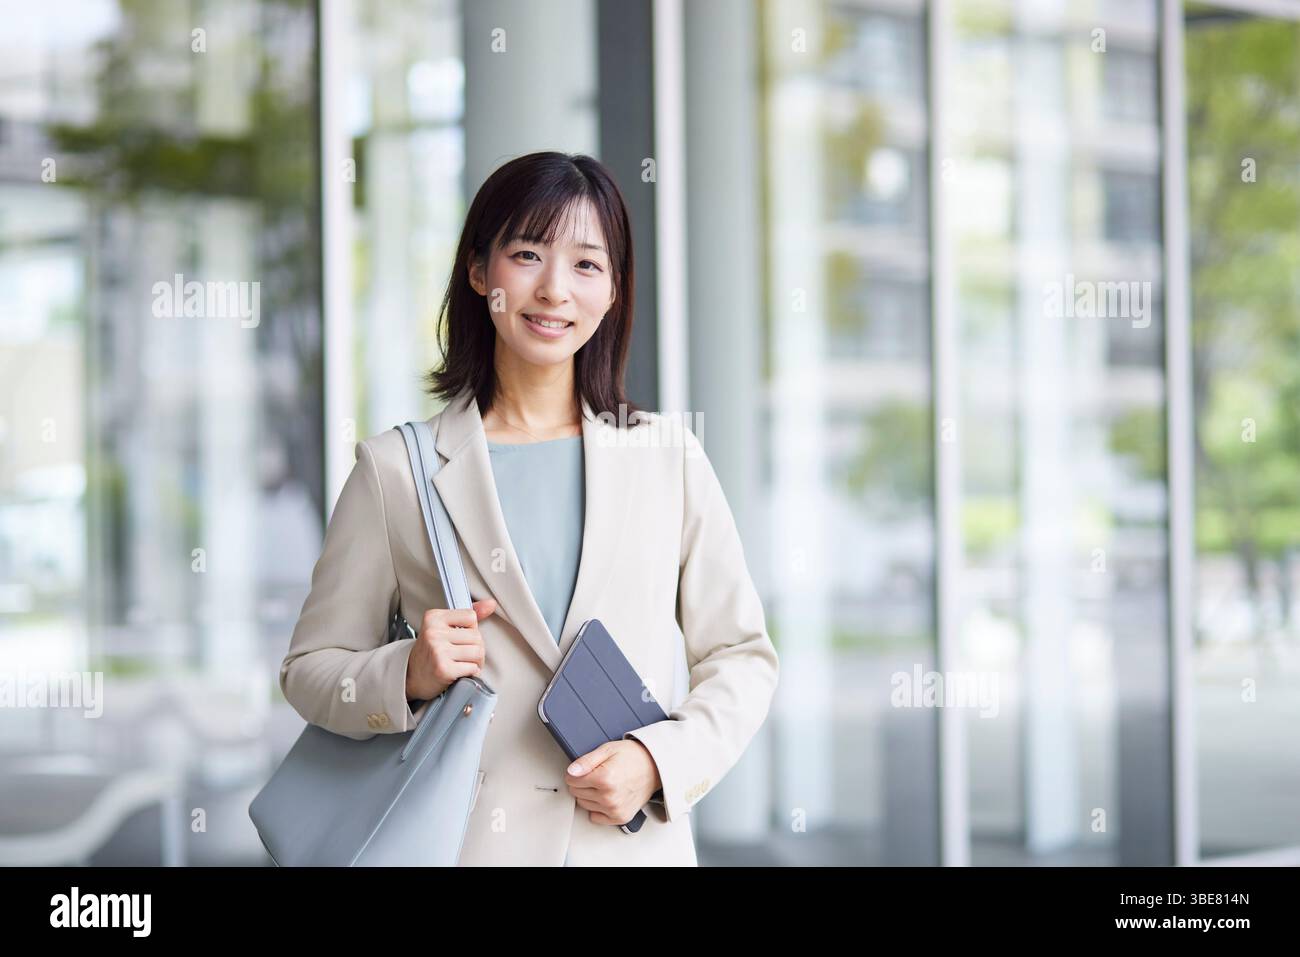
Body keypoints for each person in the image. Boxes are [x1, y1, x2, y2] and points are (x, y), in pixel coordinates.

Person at [279, 151, 779, 866]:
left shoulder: (667, 459)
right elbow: (309, 668)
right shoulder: (396, 471)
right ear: (481, 272)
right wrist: (409, 673)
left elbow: (742, 657)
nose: (553, 290)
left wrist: (656, 759)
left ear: (612, 291)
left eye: (586, 265)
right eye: (526, 253)